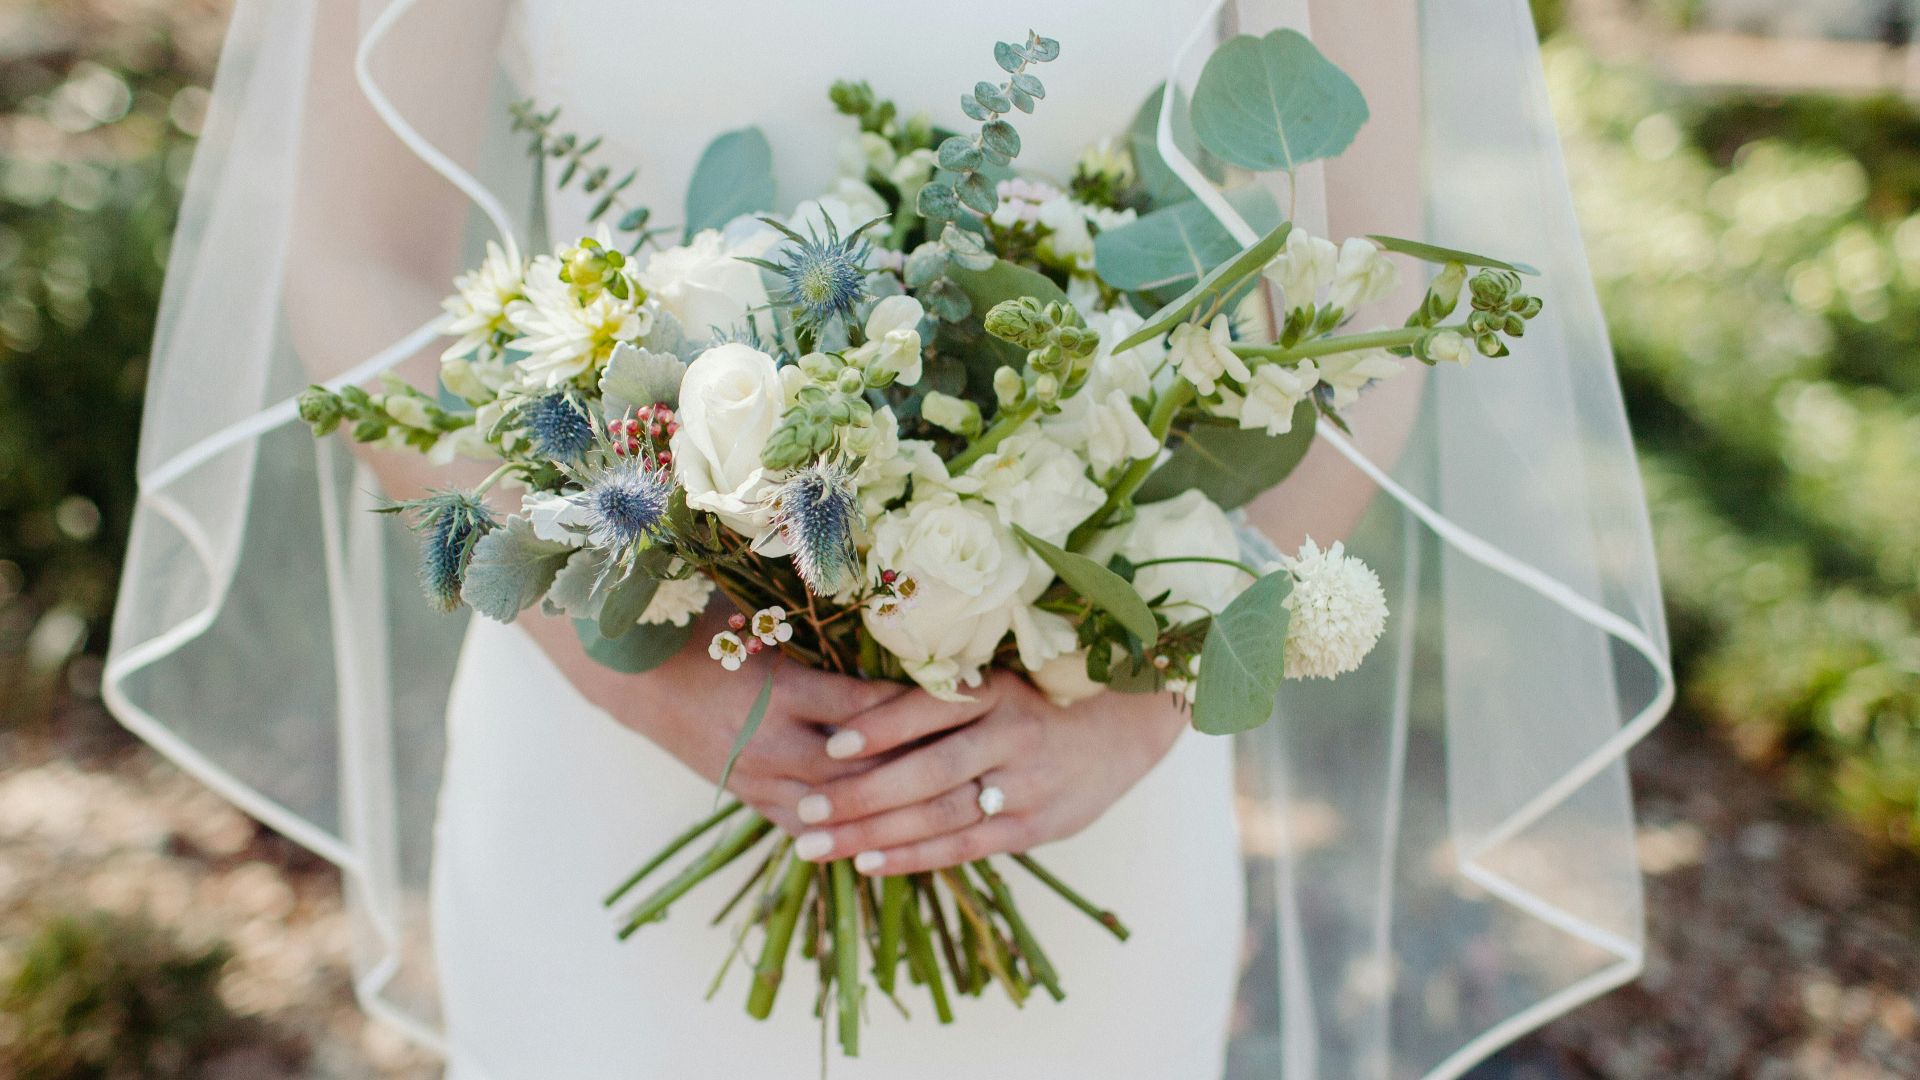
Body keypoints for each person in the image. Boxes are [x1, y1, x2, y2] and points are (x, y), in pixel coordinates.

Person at [105, 1, 1674, 1077]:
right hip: (607, 767)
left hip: (1075, 779)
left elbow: (1368, 298)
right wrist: (629, 657)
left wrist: (1148, 696)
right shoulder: (622, 686)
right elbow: (360, 263)